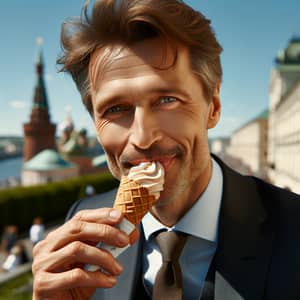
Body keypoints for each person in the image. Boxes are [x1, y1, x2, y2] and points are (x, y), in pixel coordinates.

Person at [32, 1, 300, 299]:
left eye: (167, 100)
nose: (143, 138)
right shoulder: (82, 229)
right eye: (116, 108)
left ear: (213, 107)